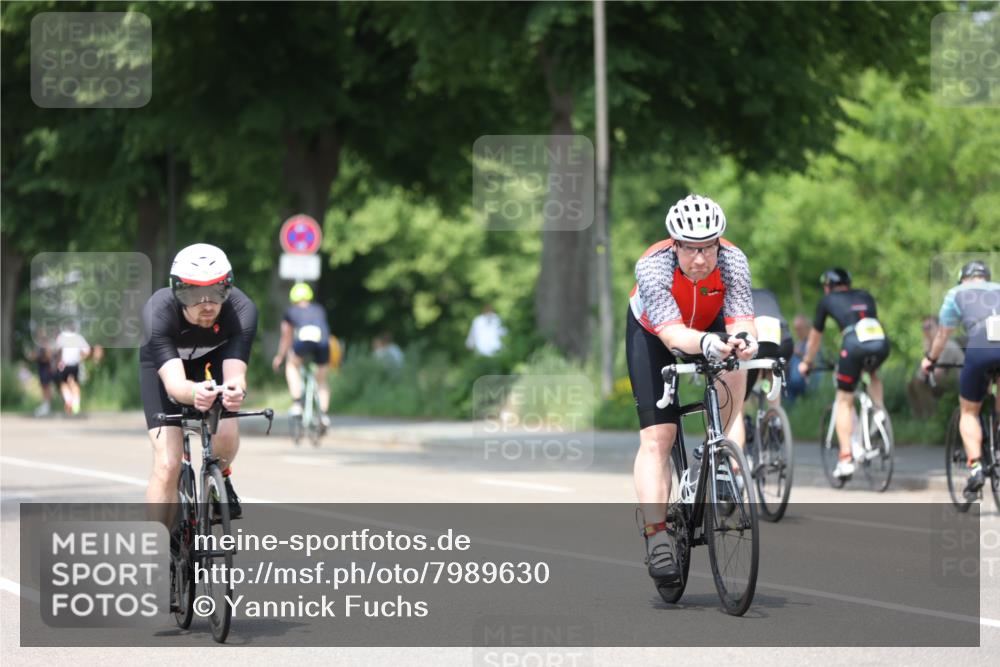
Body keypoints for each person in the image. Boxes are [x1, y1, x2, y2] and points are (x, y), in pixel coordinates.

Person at [625, 194, 757, 584]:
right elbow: (672, 335)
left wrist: (744, 341)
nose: (700, 259)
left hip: (710, 323)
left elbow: (742, 319)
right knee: (658, 438)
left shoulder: (733, 260)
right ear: (675, 245)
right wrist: (706, 343)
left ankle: (717, 458)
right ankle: (657, 536)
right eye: (690, 249)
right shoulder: (653, 266)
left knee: (736, 366)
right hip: (653, 333)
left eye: (708, 248)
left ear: (719, 243)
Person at [140, 243, 256, 533]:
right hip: (167, 368)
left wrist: (235, 392)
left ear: (228, 288)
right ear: (178, 292)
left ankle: (221, 478)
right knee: (168, 464)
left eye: (217, 292)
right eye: (194, 294)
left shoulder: (242, 310)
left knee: (226, 432)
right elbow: (176, 386)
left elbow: (235, 376)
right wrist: (193, 394)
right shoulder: (158, 312)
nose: (207, 304)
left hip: (214, 359)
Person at [798, 267, 890, 480]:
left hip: (854, 344)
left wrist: (806, 362)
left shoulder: (827, 300)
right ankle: (879, 411)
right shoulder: (865, 295)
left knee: (843, 401)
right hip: (880, 342)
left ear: (828, 286)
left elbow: (814, 339)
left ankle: (846, 458)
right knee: (872, 373)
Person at [921, 260, 1000, 501]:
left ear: (963, 278)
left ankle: (975, 467)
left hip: (980, 345)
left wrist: (930, 359)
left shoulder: (956, 293)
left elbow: (943, 335)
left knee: (968, 411)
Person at [272, 282, 331, 427]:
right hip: (323, 343)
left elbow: (286, 337)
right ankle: (323, 415)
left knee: (292, 365)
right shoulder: (319, 309)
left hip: (304, 341)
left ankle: (297, 404)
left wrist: (280, 356)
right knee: (322, 380)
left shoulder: (291, 311)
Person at [907, 316, 964, 419]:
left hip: (957, 381)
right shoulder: (933, 346)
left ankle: (932, 416)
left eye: (929, 327)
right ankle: (920, 417)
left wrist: (923, 375)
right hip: (944, 378)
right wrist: (927, 351)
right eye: (924, 328)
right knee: (912, 385)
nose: (926, 331)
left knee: (919, 383)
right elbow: (925, 371)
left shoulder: (947, 345)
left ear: (939, 328)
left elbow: (938, 373)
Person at [745, 288, 793, 403]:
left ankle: (741, 410)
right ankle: (775, 411)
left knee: (742, 385)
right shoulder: (769, 293)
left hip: (759, 340)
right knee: (774, 373)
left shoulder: (740, 295)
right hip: (784, 339)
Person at [54, 323, 91, 415]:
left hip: (64, 364)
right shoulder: (79, 338)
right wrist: (80, 358)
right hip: (75, 364)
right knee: (75, 384)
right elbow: (87, 351)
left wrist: (57, 362)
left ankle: (68, 399)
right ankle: (76, 404)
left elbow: (57, 350)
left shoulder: (62, 337)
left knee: (63, 383)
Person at [30, 329, 57, 417]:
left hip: (46, 368)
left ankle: (47, 406)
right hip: (42, 368)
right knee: (44, 386)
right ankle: (45, 405)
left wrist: (41, 358)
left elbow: (49, 356)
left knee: (46, 386)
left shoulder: (46, 344)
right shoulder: (39, 345)